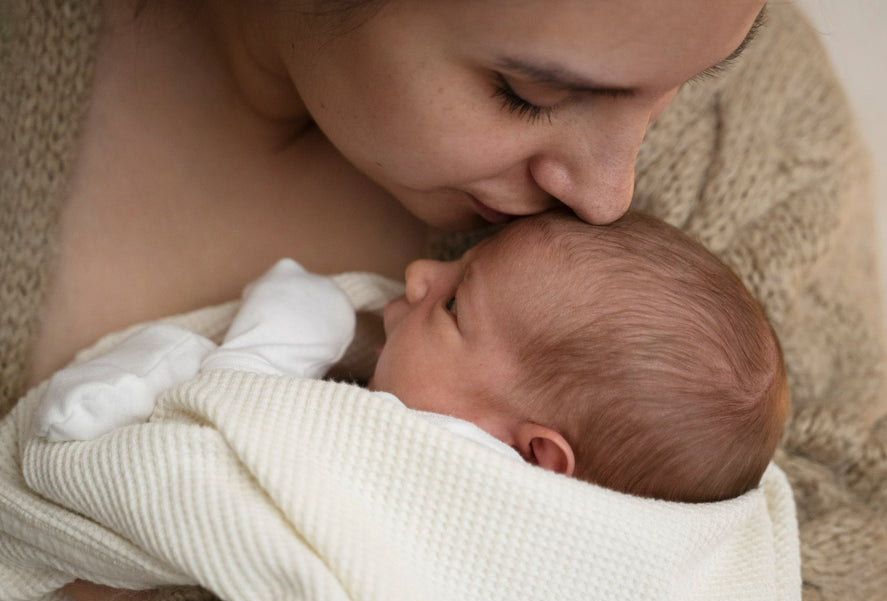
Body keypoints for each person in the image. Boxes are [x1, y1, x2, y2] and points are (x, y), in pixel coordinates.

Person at [1, 0, 887, 601]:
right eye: (531, 93)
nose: (612, 194)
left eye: (693, 81)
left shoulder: (742, 101)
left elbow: (842, 555)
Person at [38, 210, 789, 504]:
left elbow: (237, 457)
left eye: (455, 305)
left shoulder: (456, 479)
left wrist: (291, 334)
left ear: (536, 454)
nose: (424, 273)